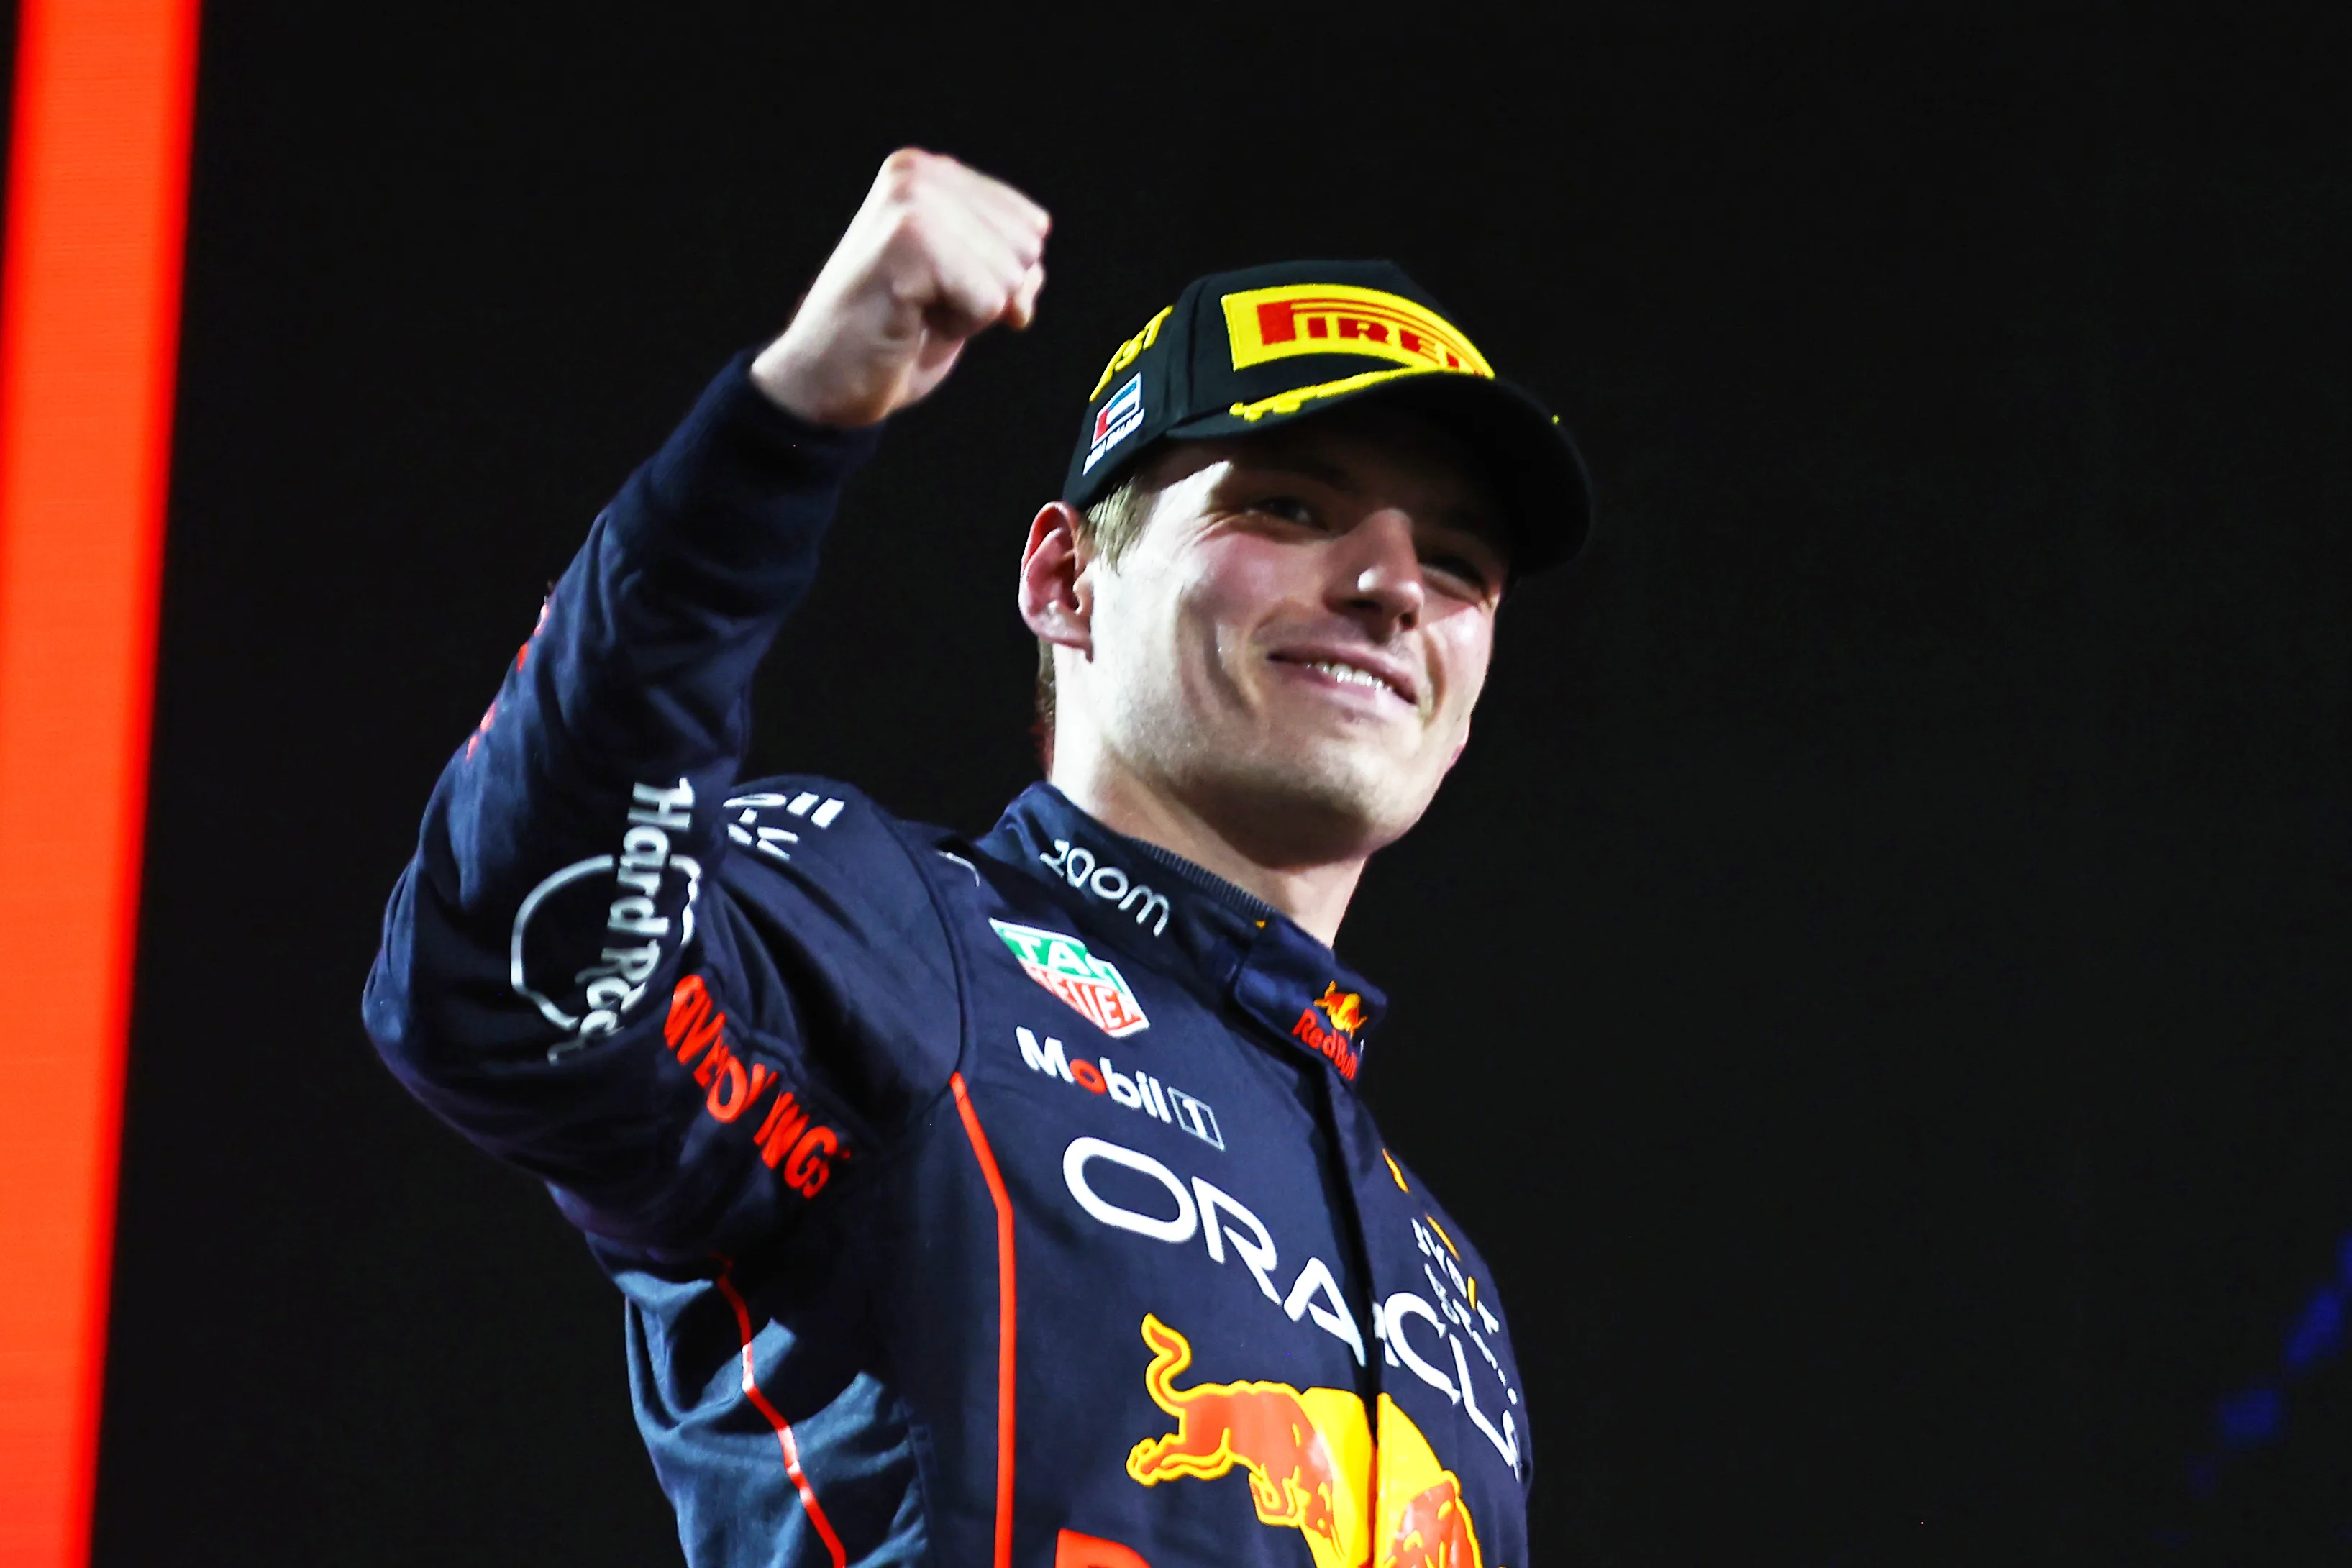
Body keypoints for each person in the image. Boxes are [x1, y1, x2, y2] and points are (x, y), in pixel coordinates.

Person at [363, 148, 1590, 1568]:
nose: (1390, 587)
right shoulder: (891, 935)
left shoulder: (1456, 1298)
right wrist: (782, 432)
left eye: (1455, 562)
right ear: (1065, 580)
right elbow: (515, 987)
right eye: (1291, 507)